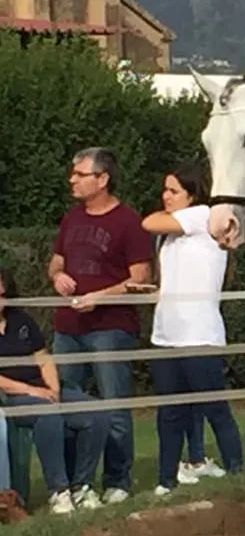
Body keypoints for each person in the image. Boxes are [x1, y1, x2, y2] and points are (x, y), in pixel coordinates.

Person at [47, 147, 153, 505]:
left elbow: (141, 278)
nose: (72, 180)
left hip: (110, 327)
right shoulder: (71, 219)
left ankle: (117, 480)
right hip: (68, 327)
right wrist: (58, 276)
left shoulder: (129, 222)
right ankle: (73, 483)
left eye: (80, 174)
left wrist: (101, 297)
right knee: (64, 403)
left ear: (103, 178)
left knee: (114, 405)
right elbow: (56, 262)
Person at [140, 160, 244, 495]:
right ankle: (166, 479)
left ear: (192, 194)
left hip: (199, 335)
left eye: (173, 190)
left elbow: (148, 222)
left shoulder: (201, 215)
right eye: (164, 190)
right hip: (166, 335)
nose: (165, 196)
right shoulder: (172, 235)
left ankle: (237, 472)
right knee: (169, 412)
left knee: (215, 409)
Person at [0, 267, 109, 515]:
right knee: (47, 414)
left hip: (43, 389)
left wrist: (53, 389)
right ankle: (59, 491)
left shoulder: (21, 320)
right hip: (11, 396)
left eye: (2, 291)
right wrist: (32, 391)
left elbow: (43, 357)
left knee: (96, 413)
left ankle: (82, 486)